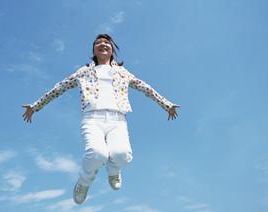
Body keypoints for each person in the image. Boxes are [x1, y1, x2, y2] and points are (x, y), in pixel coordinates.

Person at [22, 34, 180, 204]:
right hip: (92, 119)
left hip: (117, 120)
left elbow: (145, 88)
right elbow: (59, 88)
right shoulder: (84, 72)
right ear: (94, 50)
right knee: (97, 154)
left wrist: (166, 104)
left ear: (112, 50)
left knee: (122, 155)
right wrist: (35, 106)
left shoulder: (122, 72)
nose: (103, 44)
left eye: (106, 42)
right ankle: (83, 183)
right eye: (98, 43)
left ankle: (114, 171)